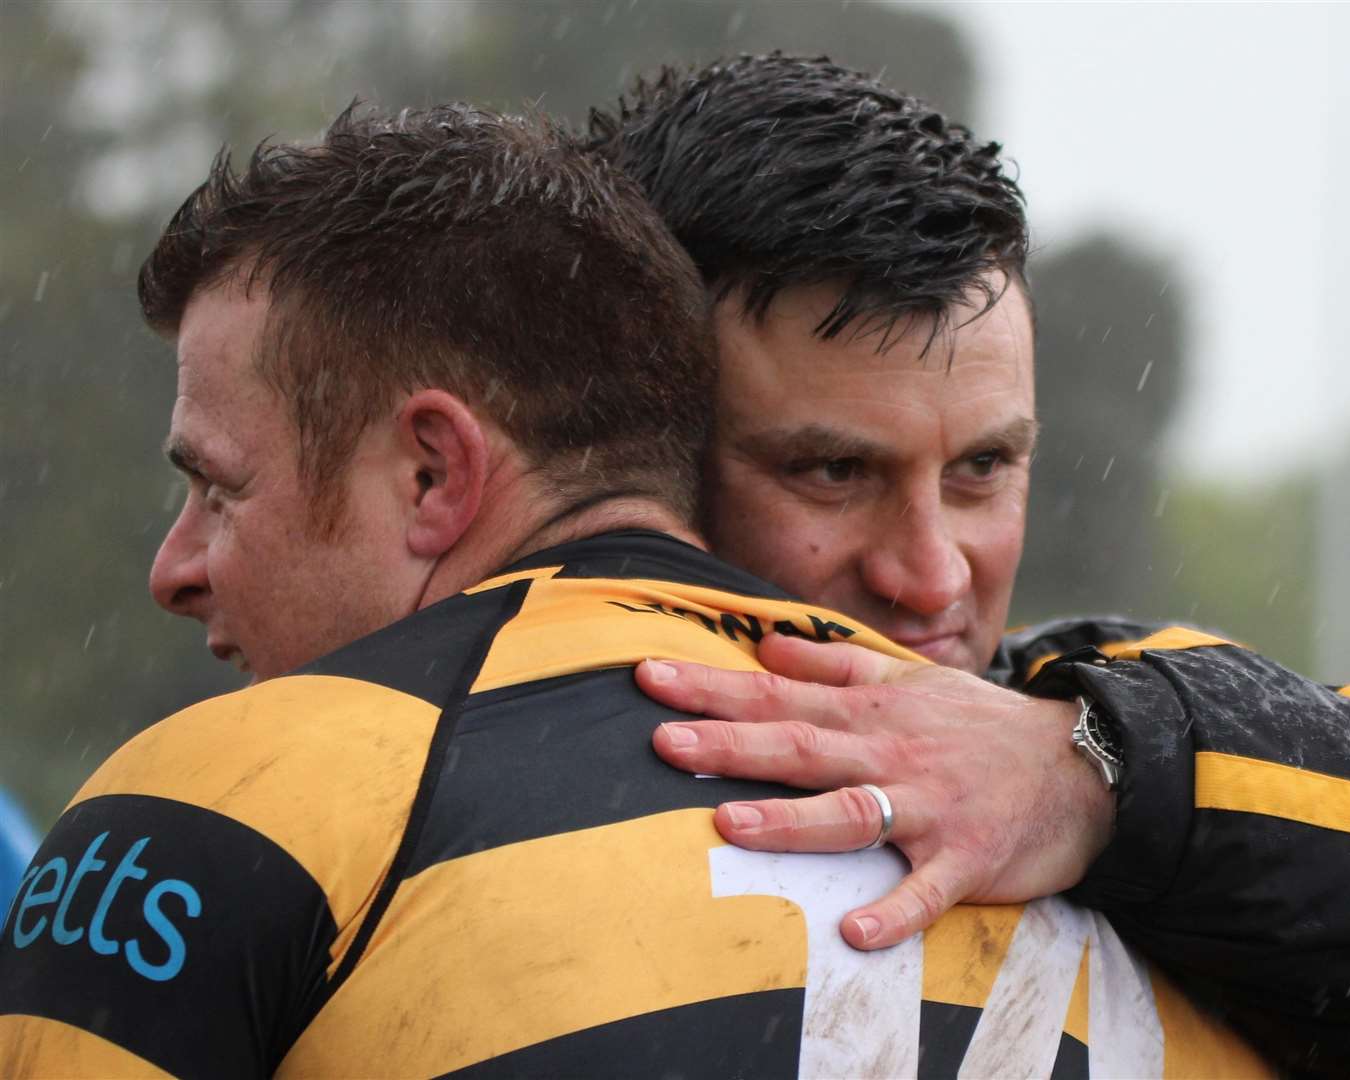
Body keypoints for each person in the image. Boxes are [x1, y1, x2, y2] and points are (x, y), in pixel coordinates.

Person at [0, 103, 1268, 1077]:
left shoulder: (220, 803)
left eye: (219, 490)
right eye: (829, 468)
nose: (174, 569)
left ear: (437, 471)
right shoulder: (1246, 875)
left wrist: (1101, 762)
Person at [586, 53, 1350, 1074]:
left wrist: (1093, 774)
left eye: (983, 465)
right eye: (835, 470)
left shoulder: (1089, 703)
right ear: (637, 447)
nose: (933, 577)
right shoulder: (423, 746)